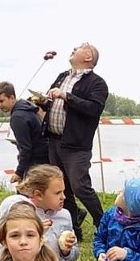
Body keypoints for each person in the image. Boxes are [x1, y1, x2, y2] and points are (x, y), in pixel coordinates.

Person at [44, 43, 108, 242]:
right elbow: (50, 100)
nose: (72, 48)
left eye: (78, 47)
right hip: (54, 140)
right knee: (63, 189)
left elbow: (93, 108)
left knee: (80, 186)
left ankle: (104, 226)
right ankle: (73, 230)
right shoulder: (63, 75)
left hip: (76, 145)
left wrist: (66, 96)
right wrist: (42, 101)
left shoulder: (97, 83)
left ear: (88, 57)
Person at [0, 81, 48, 183]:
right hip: (45, 157)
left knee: (25, 194)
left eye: (1, 101)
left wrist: (19, 172)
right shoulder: (27, 108)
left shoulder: (18, 117)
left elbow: (26, 148)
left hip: (35, 162)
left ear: (12, 98)